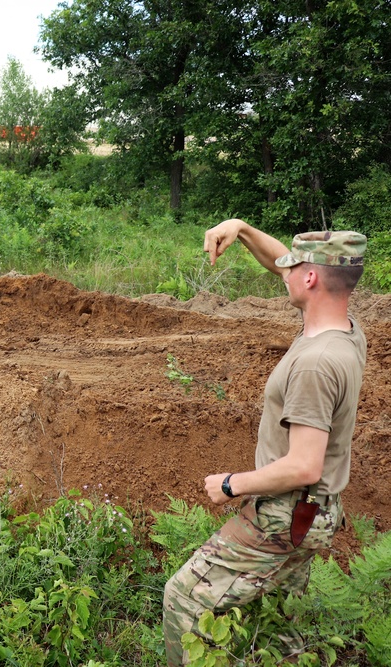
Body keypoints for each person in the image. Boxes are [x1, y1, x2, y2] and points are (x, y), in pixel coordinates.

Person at [162, 218, 367, 665]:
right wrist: (242, 229)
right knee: (277, 620)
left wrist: (233, 484)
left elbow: (304, 465)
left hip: (284, 511)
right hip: (318, 511)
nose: (284, 272)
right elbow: (282, 264)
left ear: (310, 278)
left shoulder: (316, 363)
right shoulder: (345, 328)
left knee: (184, 598)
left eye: (294, 267)